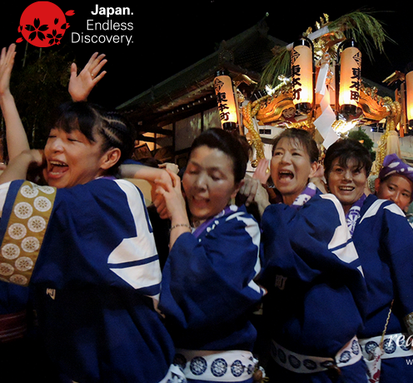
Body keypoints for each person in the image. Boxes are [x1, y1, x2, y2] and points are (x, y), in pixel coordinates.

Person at [0, 43, 179, 382]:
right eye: (52, 137)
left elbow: (9, 204)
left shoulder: (108, 198)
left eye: (70, 140)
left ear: (109, 158)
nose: (53, 146)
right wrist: (8, 98)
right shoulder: (78, 192)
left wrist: (24, 160)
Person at [324, 140, 413, 383]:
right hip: (338, 357)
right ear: (326, 173)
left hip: (387, 352)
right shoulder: (320, 214)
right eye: (339, 170)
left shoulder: (383, 212)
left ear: (368, 177)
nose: (347, 178)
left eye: (356, 171)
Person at [149, 128, 265, 383]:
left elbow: (200, 292)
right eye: (193, 171)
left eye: (215, 176)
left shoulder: (241, 227)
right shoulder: (171, 222)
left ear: (236, 186)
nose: (200, 185)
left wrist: (179, 217)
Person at [258, 128, 368, 382]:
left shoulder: (325, 205)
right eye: (278, 153)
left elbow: (288, 252)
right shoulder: (277, 213)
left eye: (295, 153)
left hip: (332, 371)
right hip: (284, 364)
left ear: (314, 167)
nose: (284, 160)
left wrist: (265, 205)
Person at [374, 152, 413, 268]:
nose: (395, 199)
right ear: (377, 185)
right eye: (391, 188)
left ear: (409, 203)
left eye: (404, 194)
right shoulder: (357, 216)